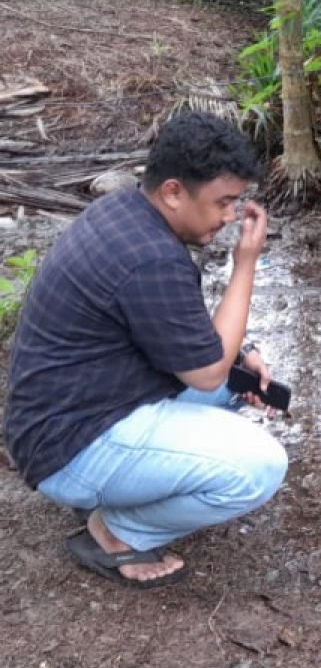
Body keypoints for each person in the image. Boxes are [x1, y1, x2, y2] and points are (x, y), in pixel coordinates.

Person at [3, 111, 288, 588]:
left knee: (239, 386)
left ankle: (113, 491)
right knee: (260, 467)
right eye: (223, 203)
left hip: (67, 411)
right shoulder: (151, 258)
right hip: (66, 445)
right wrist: (245, 264)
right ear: (174, 191)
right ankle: (114, 533)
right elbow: (205, 375)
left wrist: (243, 354)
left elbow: (183, 335)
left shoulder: (125, 215)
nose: (228, 217)